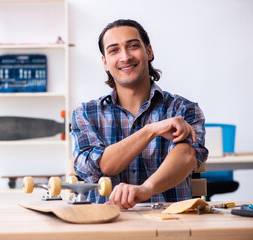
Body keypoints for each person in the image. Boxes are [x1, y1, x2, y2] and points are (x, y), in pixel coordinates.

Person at [71, 19, 208, 209]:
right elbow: (102, 166)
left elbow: (186, 157)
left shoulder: (183, 109)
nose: (125, 57)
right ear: (105, 62)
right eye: (114, 50)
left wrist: (146, 189)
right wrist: (150, 130)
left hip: (171, 226)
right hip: (108, 227)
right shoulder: (85, 114)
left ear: (149, 51)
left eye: (133, 46)